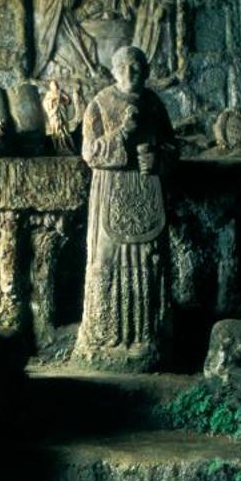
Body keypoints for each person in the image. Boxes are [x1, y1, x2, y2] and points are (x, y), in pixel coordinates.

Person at [74, 46, 173, 370]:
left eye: (136, 67)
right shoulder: (100, 103)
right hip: (111, 190)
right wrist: (122, 133)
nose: (130, 73)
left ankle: (148, 337)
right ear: (114, 71)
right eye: (124, 67)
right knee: (108, 260)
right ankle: (103, 340)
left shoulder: (154, 104)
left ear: (146, 71)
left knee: (148, 260)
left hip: (145, 190)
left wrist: (158, 158)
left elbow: (172, 146)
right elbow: (90, 153)